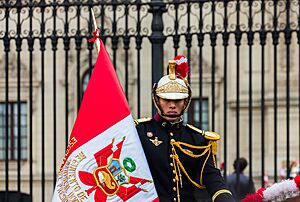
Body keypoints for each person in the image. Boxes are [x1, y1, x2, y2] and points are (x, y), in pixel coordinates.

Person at [135, 56, 235, 202]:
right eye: (166, 99)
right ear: (157, 100)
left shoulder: (197, 138)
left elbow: (211, 176)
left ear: (186, 102)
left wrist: (225, 198)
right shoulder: (140, 132)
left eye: (177, 100)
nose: (172, 105)